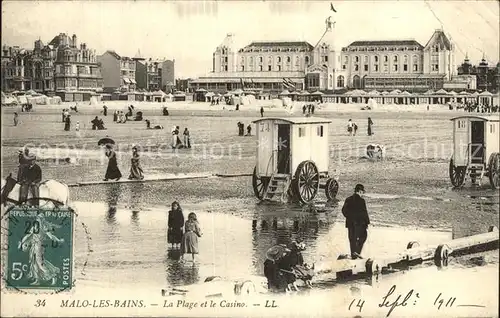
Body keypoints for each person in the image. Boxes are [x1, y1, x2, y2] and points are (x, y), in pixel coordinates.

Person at [341, 184, 370, 259]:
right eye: (362, 192)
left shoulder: (348, 199)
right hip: (359, 224)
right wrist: (367, 223)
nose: (362, 194)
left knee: (352, 240)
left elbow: (343, 210)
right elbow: (364, 213)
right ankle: (357, 253)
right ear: (360, 191)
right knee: (363, 236)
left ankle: (353, 255)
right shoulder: (362, 201)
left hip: (350, 224)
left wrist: (349, 217)